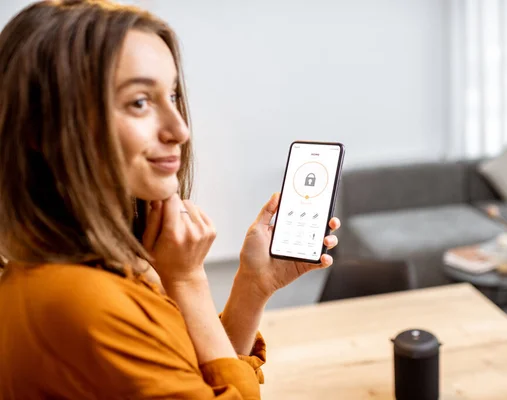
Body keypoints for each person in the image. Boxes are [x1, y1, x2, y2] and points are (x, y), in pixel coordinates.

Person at [0, 1, 341, 399]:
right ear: (43, 129)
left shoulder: (110, 268)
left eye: (174, 95)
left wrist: (253, 286)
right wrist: (189, 281)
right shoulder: (85, 304)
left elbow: (198, 378)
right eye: (139, 102)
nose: (179, 129)